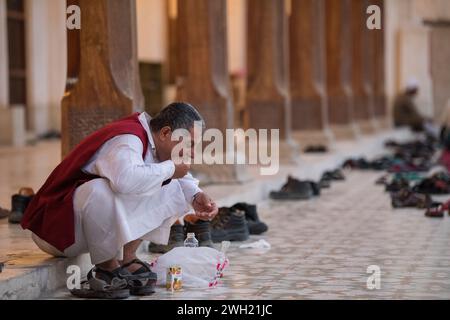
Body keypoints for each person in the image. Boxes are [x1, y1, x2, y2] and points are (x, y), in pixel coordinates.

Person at [21, 102, 218, 298]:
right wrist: (170, 170)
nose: (193, 152)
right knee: (101, 189)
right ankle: (106, 266)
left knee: (169, 184)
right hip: (56, 230)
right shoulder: (128, 138)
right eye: (189, 144)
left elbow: (175, 179)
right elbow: (125, 180)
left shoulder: (154, 143)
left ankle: (127, 258)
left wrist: (196, 195)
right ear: (166, 133)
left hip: (82, 230)